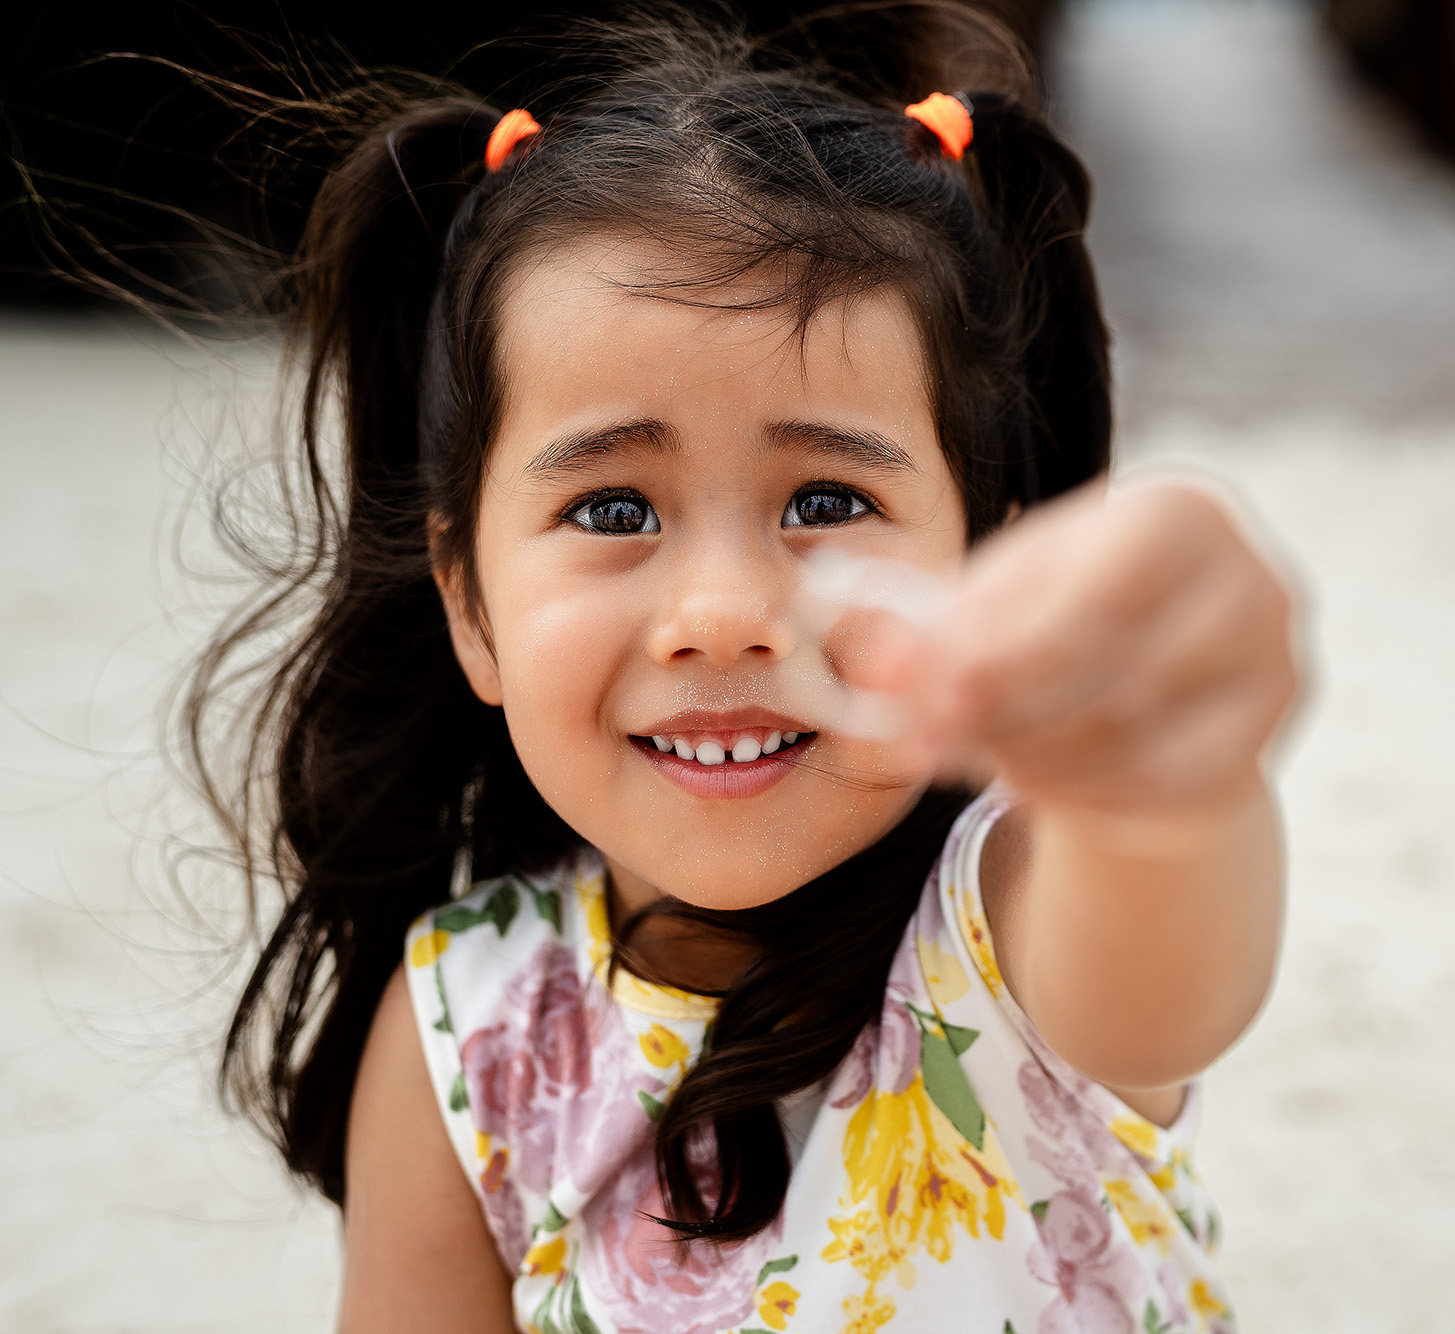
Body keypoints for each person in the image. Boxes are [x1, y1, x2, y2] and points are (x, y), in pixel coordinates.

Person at [200, 5, 1295, 1331]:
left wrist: (1161, 778)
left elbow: (1164, 960)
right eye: (613, 511)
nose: (721, 615)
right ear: (471, 606)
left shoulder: (1008, 917)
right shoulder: (461, 1026)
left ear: (978, 558)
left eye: (826, 500)